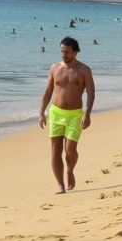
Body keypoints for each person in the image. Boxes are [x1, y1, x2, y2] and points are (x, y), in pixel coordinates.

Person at [37, 37, 96, 193]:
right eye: (62, 51)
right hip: (55, 113)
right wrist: (41, 112)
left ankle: (70, 171)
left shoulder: (84, 70)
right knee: (55, 149)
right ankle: (60, 184)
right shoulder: (55, 68)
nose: (64, 55)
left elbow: (91, 93)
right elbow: (48, 92)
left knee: (70, 150)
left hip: (75, 115)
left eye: (67, 52)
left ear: (75, 52)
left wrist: (87, 113)